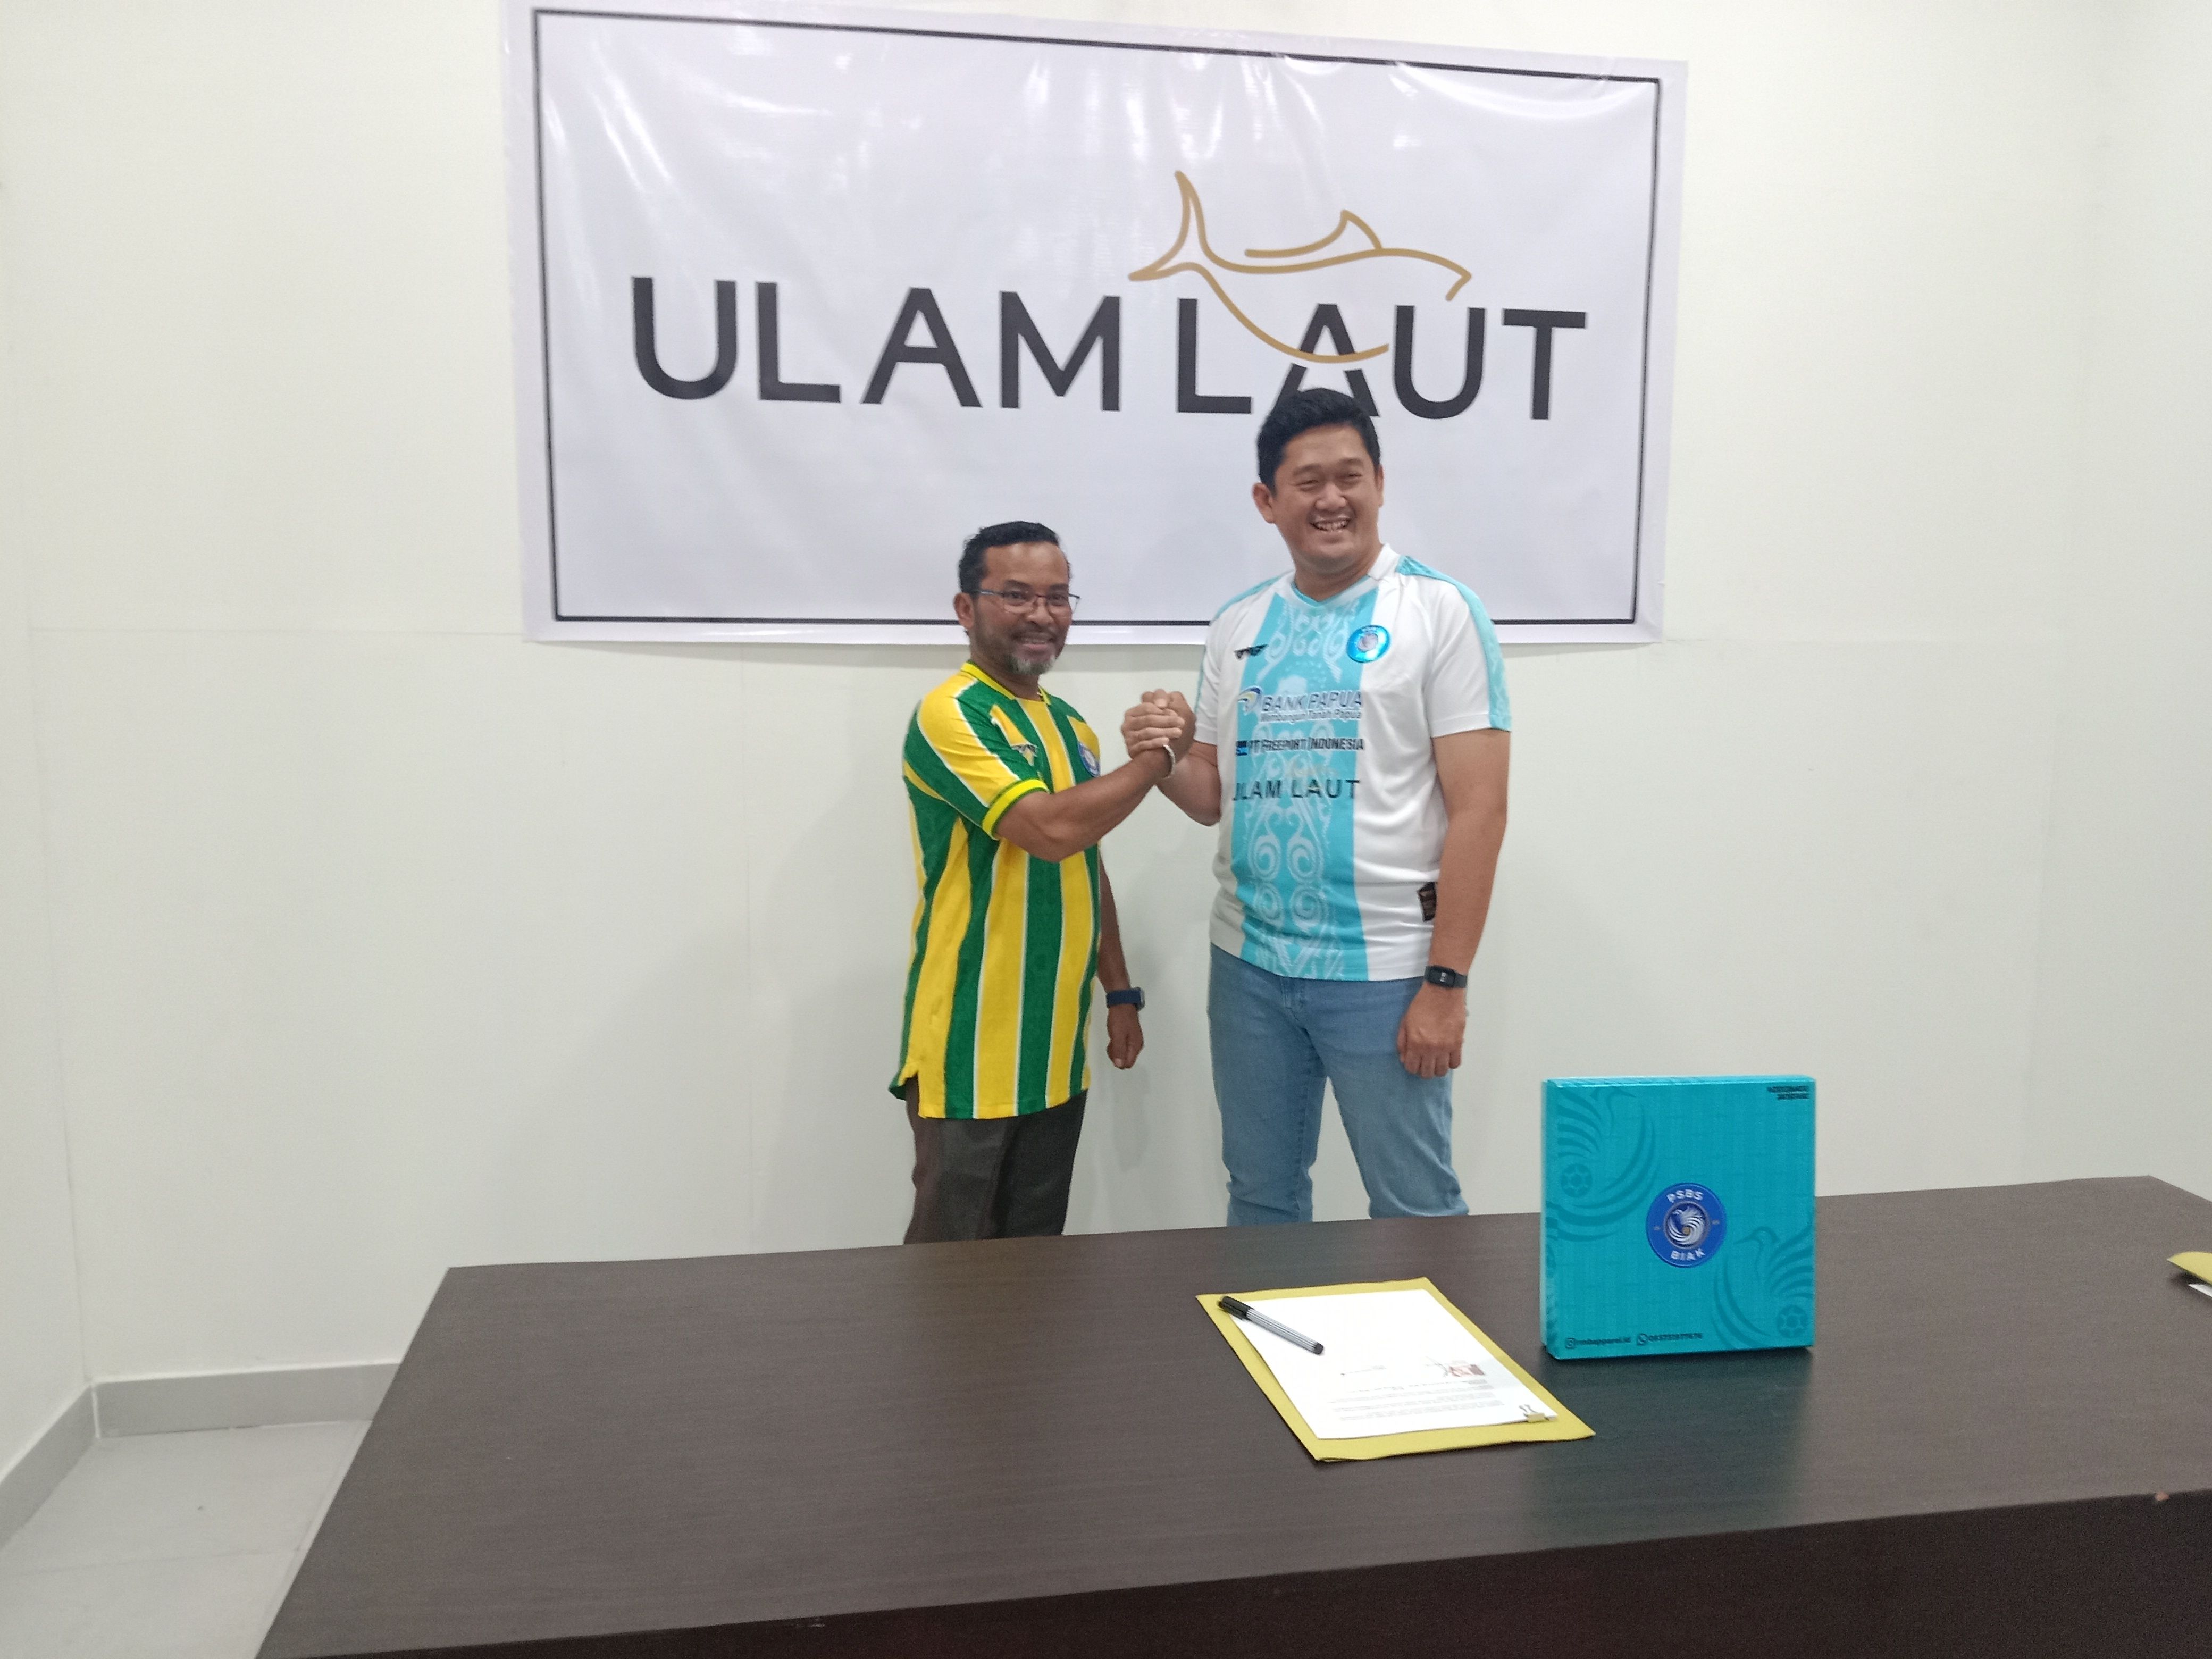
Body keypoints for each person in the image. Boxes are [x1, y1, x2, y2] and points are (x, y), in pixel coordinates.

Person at [1127, 388, 1512, 1225]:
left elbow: (1481, 811)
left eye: (1350, 476)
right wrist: (1163, 755)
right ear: (1268, 501)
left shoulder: (1441, 611)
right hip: (1250, 966)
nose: (1331, 499)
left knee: (1414, 1208)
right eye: (1307, 482)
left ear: (1380, 483)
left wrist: (1446, 985)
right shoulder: (1238, 623)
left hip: (1387, 972)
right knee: (1260, 1197)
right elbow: (1210, 797)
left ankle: (1428, 1328)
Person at [892, 521, 1169, 1242]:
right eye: (1016, 596)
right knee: (950, 1269)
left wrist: (1121, 992)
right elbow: (1051, 831)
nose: (1042, 615)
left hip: (1053, 1050)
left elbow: (1085, 858)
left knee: (1035, 1265)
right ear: (966, 608)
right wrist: (1157, 761)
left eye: (1057, 597)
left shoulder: (1072, 727)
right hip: (968, 1048)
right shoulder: (951, 713)